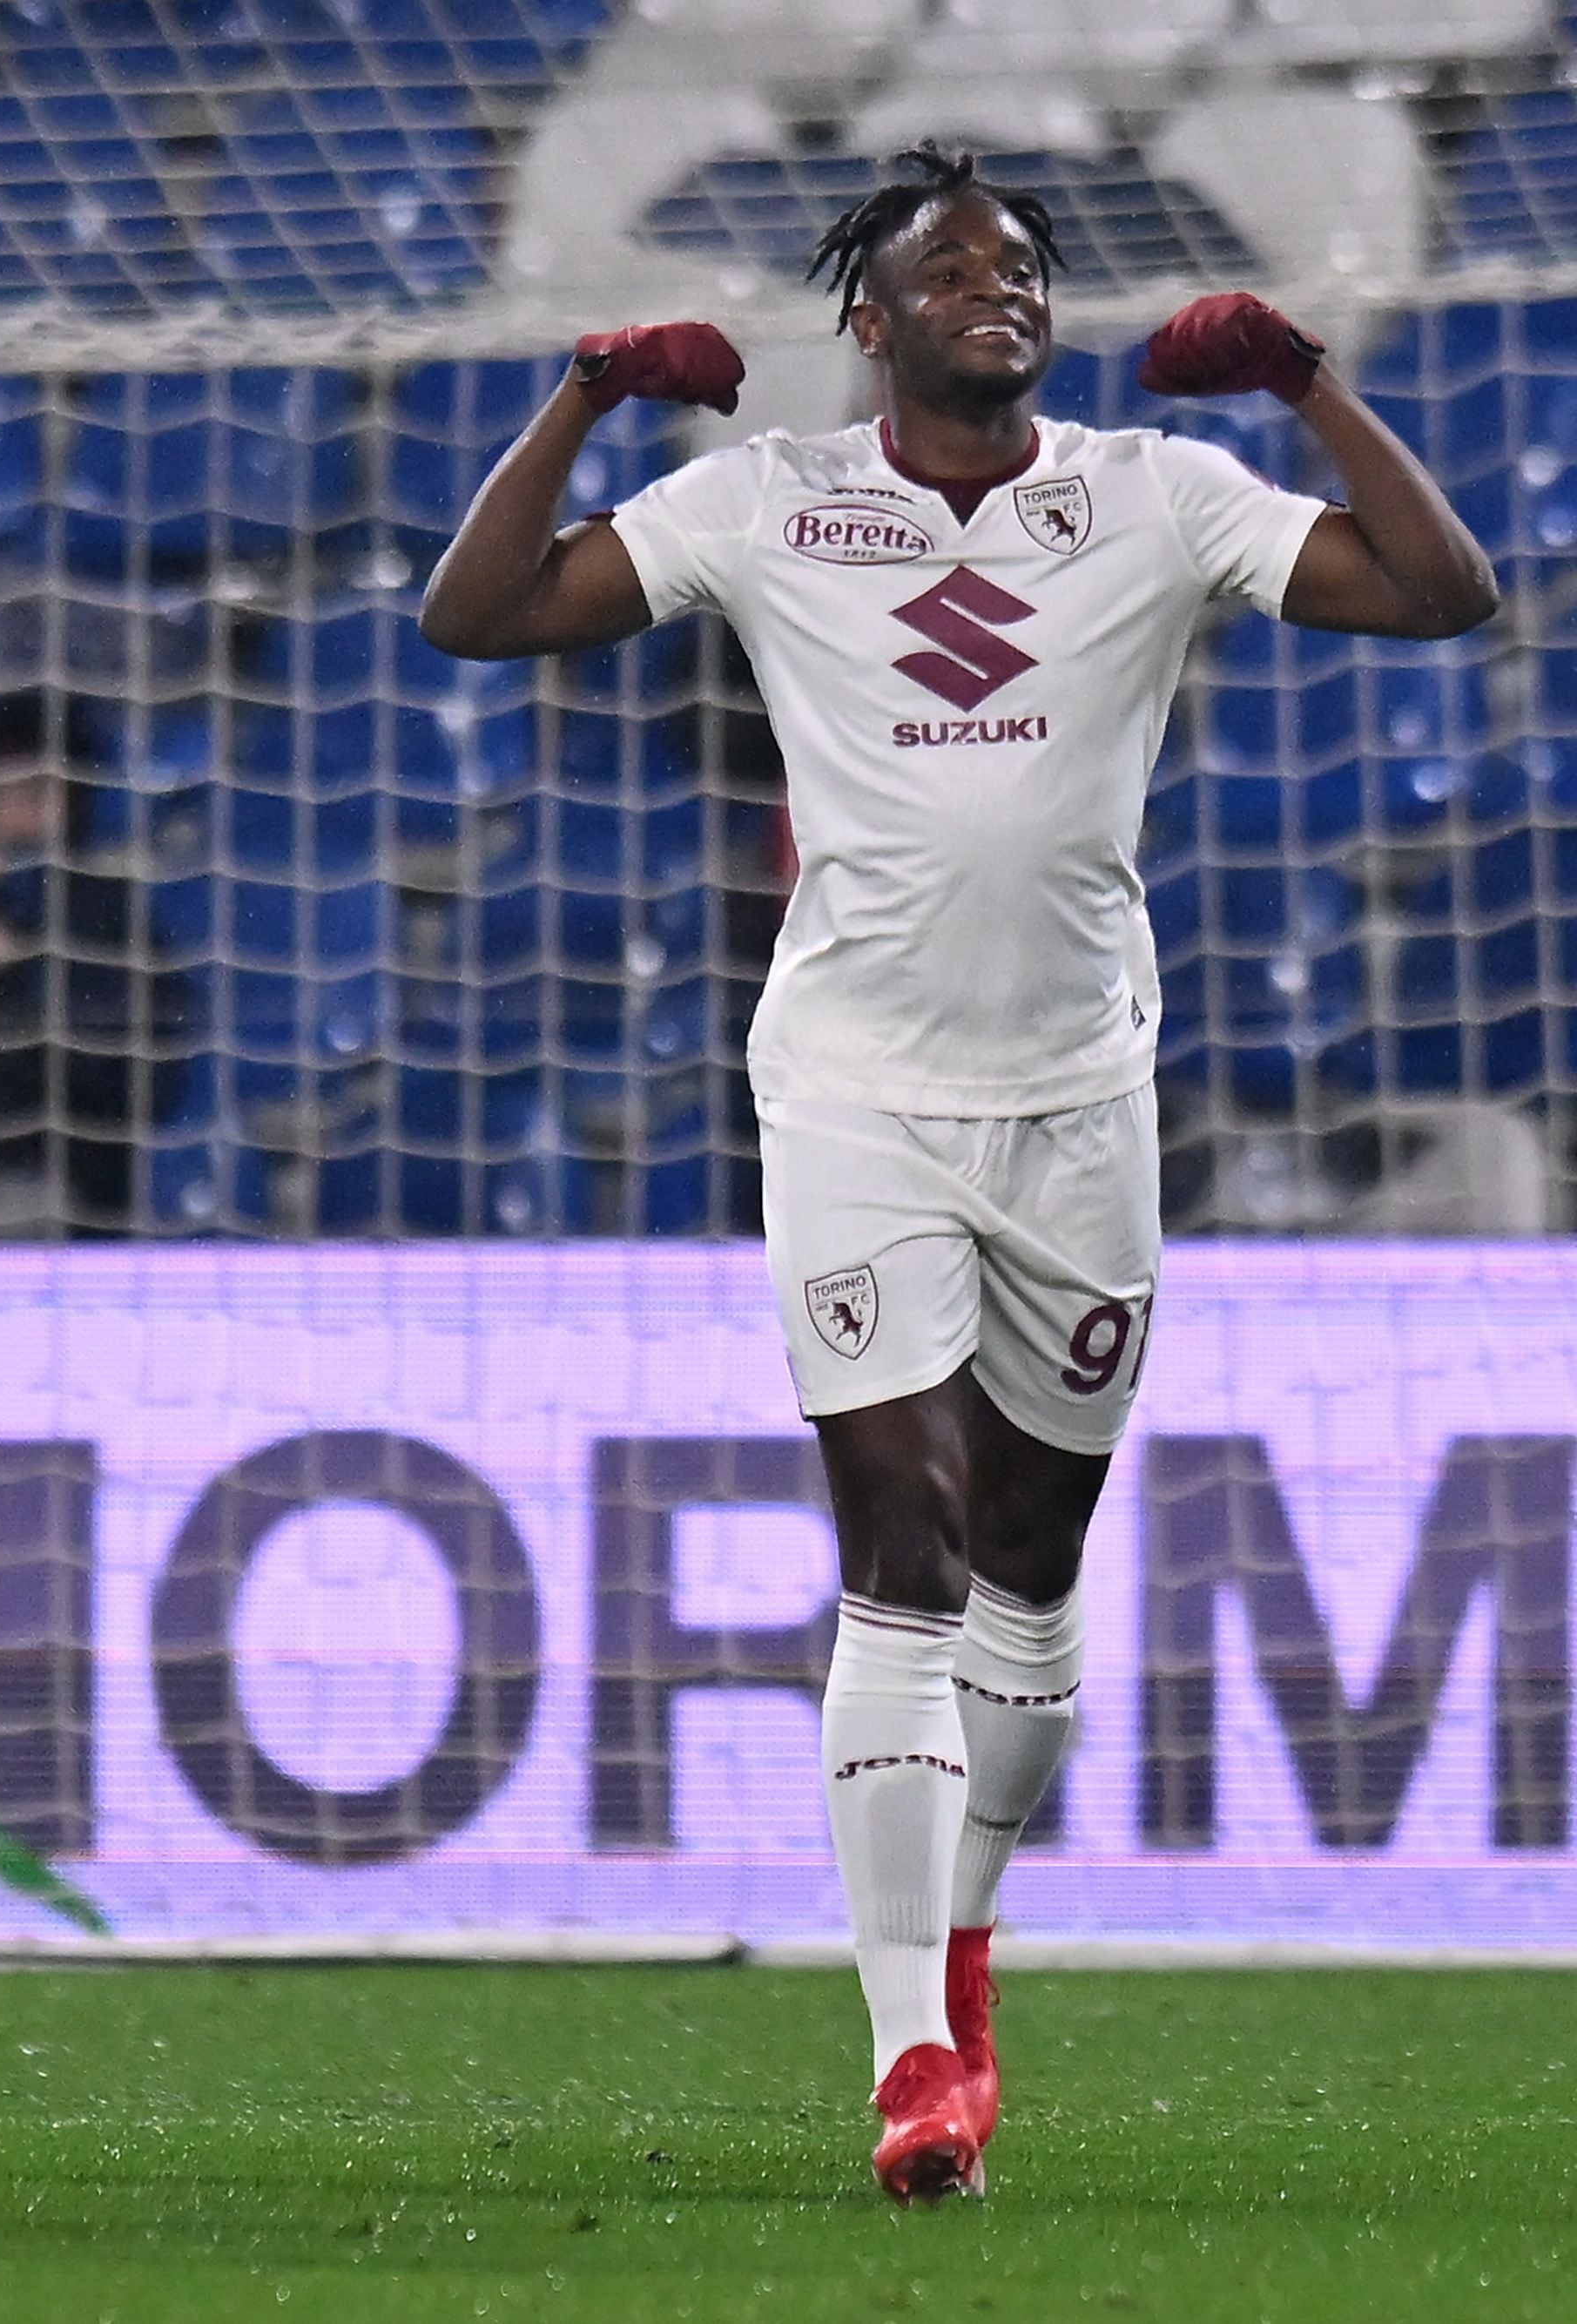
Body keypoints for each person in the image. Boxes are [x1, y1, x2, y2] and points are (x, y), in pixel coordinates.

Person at [415, 143, 1497, 2202]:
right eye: (949, 268)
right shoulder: (768, 499)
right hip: (850, 1094)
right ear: (869, 318)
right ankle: (909, 2048)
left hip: (1079, 1099)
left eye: (1018, 267)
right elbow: (474, 615)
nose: (995, 288)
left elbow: (1443, 593)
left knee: (1027, 1564)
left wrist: (1303, 382)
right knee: (899, 1551)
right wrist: (581, 394)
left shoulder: (1154, 492)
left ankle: (966, 1944)